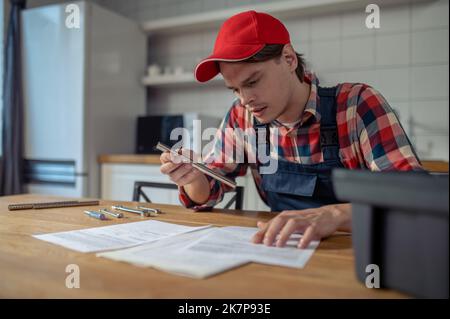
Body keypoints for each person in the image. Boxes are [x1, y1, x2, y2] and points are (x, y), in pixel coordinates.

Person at [159, 10, 423, 249]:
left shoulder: (356, 104)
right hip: (284, 249)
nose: (244, 99)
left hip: (356, 252)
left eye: (253, 82)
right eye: (236, 89)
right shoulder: (242, 117)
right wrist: (193, 177)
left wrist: (334, 215)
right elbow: (210, 188)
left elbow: (412, 195)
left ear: (288, 59)